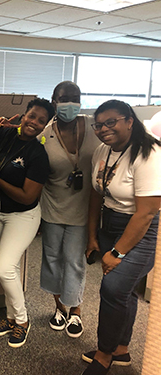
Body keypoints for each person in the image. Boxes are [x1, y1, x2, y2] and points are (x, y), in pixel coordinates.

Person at [81, 100, 161, 375]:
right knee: (123, 291)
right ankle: (121, 349)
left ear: (129, 120)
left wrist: (117, 253)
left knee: (113, 288)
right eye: (99, 124)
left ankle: (104, 355)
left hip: (141, 227)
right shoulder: (104, 150)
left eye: (111, 122)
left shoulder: (149, 153)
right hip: (110, 222)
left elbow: (148, 212)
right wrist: (92, 236)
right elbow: (95, 193)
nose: (103, 129)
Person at [0, 98, 54, 348]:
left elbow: (28, 196)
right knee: (10, 269)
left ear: (45, 126)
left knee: (3, 267)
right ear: (23, 115)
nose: (34, 123)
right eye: (31, 116)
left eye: (41, 121)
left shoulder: (38, 154)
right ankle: (10, 317)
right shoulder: (4, 135)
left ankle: (23, 320)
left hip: (23, 216)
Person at [39, 81, 101, 339]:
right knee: (52, 259)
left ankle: (76, 309)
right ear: (54, 100)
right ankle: (59, 308)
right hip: (53, 206)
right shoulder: (45, 133)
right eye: (64, 99)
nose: (70, 104)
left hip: (83, 209)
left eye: (75, 98)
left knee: (75, 261)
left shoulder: (94, 127)